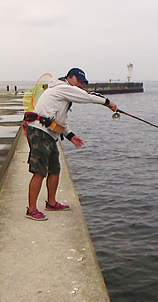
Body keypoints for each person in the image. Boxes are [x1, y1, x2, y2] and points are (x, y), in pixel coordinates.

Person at [24, 68, 118, 220]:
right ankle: (32, 210)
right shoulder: (62, 88)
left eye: (83, 83)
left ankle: (52, 203)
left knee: (55, 169)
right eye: (79, 81)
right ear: (71, 77)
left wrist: (71, 136)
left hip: (50, 134)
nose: (81, 85)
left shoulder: (64, 95)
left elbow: (61, 120)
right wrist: (108, 103)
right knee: (39, 171)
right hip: (39, 132)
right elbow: (86, 97)